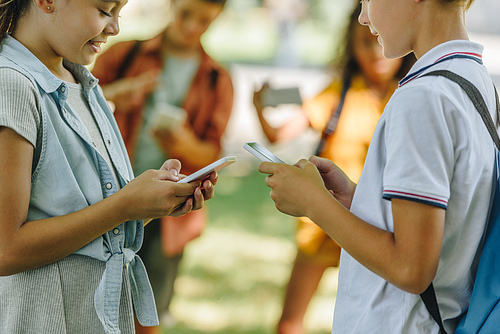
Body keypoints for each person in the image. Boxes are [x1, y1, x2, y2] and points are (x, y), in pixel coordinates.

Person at [257, 0, 500, 332]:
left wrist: (314, 205)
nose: (362, 15)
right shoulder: (471, 78)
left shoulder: (423, 97)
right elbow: (448, 220)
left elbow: (411, 269)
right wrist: (358, 201)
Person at [0, 0, 217, 333]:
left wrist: (148, 204)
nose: (115, 28)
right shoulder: (12, 85)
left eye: (119, 12)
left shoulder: (83, 82)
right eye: (105, 10)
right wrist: (123, 207)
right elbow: (6, 249)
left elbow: (86, 222)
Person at [253, 3, 414, 333]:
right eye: (364, 42)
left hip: (374, 226)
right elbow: (278, 134)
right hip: (321, 225)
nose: (375, 52)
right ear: (351, 47)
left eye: (379, 40)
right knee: (291, 319)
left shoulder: (409, 96)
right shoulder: (336, 94)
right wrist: (258, 107)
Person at [92, 0, 233, 332]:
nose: (191, 28)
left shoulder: (216, 78)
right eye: (185, 15)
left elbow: (212, 151)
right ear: (172, 5)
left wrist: (181, 143)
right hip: (106, 197)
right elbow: (75, 107)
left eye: (204, 22)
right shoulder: (124, 55)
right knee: (91, 307)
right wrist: (113, 96)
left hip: (167, 214)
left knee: (146, 314)